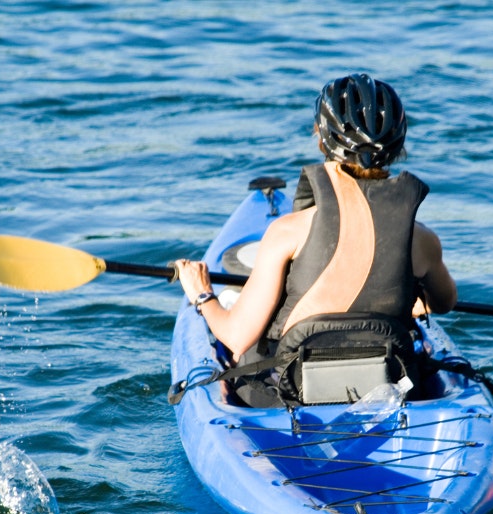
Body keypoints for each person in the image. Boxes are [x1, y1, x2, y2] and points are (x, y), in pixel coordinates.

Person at [174, 74, 457, 404]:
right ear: (399, 146)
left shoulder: (288, 231)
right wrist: (408, 297)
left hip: (291, 394)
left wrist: (202, 294)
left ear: (321, 140)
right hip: (389, 390)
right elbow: (444, 303)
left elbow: (237, 336)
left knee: (240, 351)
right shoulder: (421, 240)